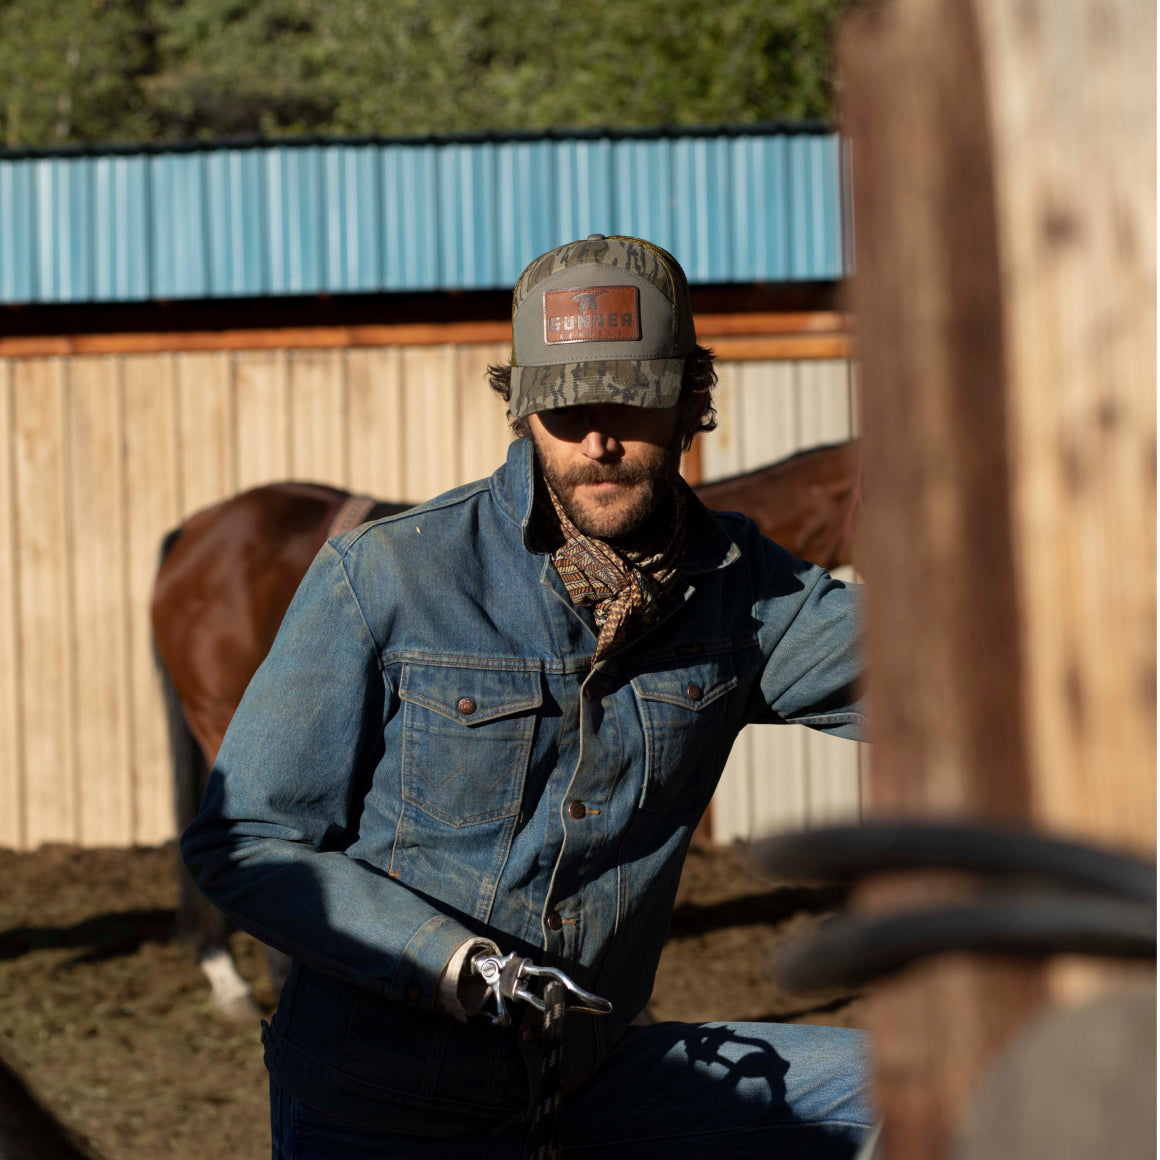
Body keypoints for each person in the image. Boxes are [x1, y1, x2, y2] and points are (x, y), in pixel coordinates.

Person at [182, 234, 874, 1159]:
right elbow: (244, 842)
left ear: (691, 403)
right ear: (521, 410)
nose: (597, 441)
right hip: (380, 1107)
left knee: (920, 1086)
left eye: (628, 402)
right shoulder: (386, 575)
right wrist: (452, 962)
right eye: (563, 407)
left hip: (590, 1082)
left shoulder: (745, 592)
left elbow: (962, 683)